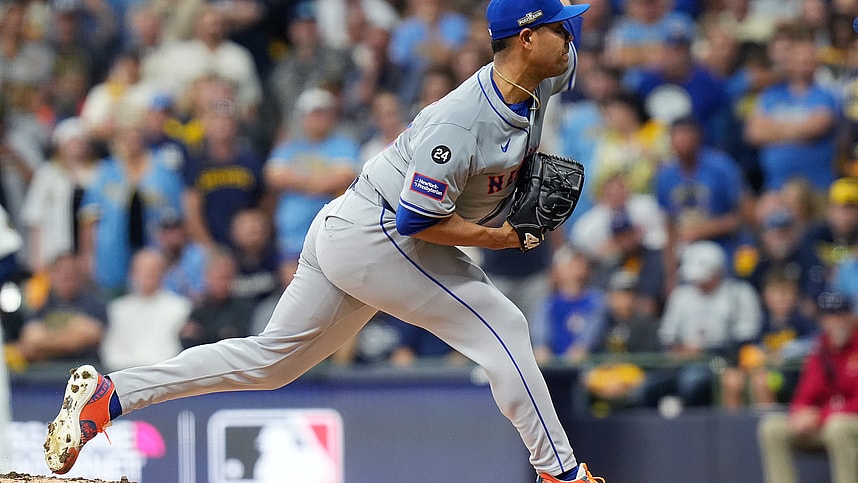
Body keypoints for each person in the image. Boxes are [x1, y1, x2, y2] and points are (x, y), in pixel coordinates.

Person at [44, 1, 604, 482]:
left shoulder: (544, 74)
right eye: (561, 28)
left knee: (270, 364)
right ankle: (561, 470)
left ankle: (112, 396)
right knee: (502, 326)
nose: (571, 36)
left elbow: (569, 53)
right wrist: (501, 238)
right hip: (380, 233)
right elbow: (416, 220)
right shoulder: (459, 122)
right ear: (527, 39)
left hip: (352, 227)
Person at [757, 291, 858, 483]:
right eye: (829, 317)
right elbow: (805, 394)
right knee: (772, 428)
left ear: (850, 318)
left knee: (839, 427)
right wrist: (800, 414)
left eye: (840, 316)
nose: (835, 323)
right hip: (826, 422)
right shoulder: (821, 349)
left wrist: (821, 416)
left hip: (847, 423)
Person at [100, 249, 192, 371]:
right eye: (143, 270)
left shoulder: (181, 307)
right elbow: (111, 351)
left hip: (164, 375)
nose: (148, 275)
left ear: (163, 273)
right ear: (132, 273)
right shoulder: (118, 309)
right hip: (123, 375)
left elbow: (176, 352)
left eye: (154, 270)